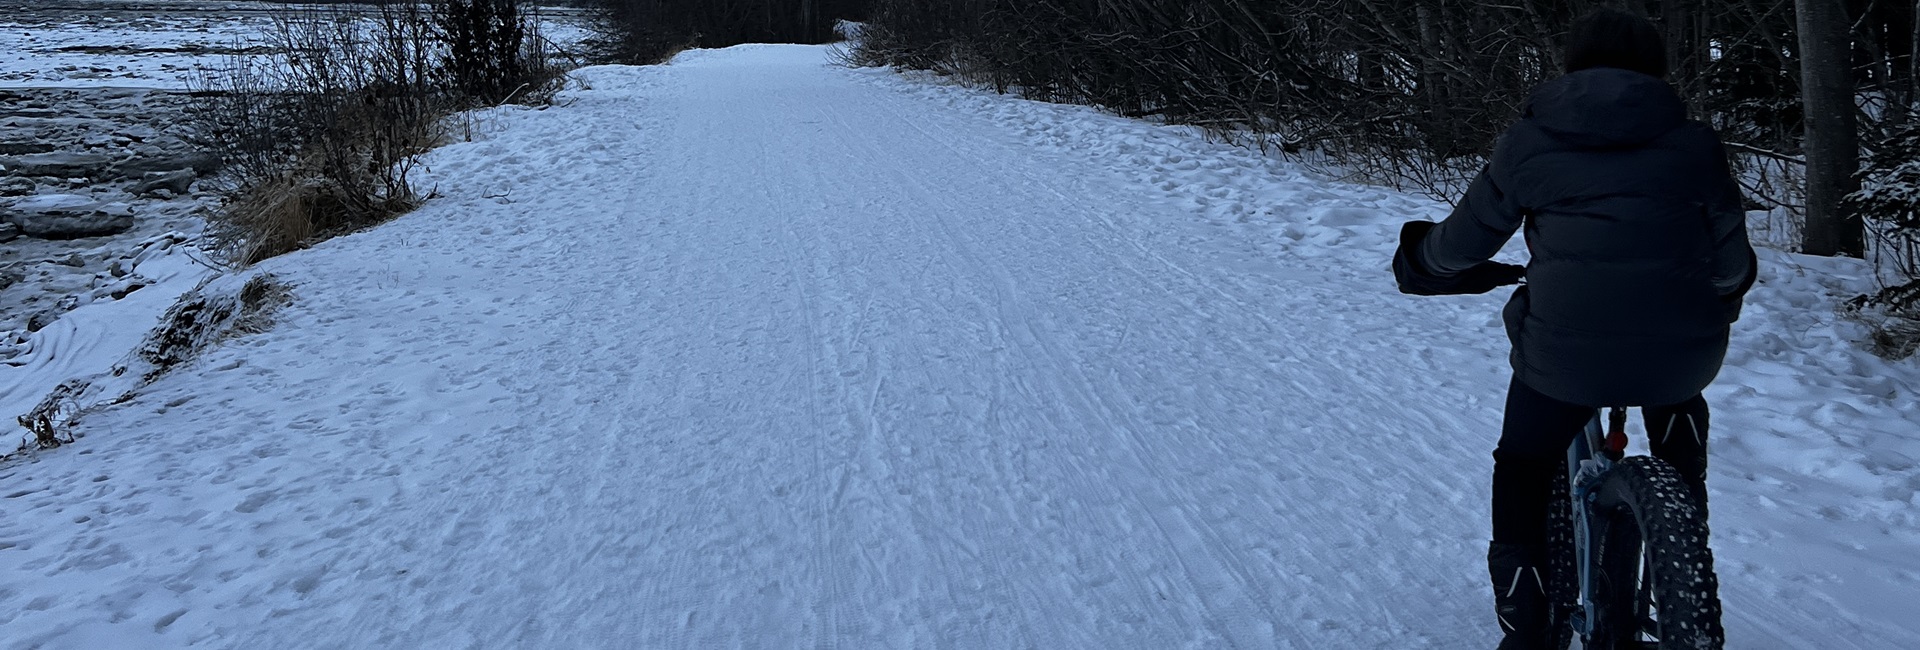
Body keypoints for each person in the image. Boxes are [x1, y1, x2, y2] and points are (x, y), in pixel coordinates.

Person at [1390, 8, 1758, 649]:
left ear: (1570, 66)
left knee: (1523, 464)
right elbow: (1730, 266)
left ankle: (1527, 622)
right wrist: (1715, 306)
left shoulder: (1530, 142)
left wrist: (1418, 260)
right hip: (1681, 353)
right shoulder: (1697, 145)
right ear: (1659, 71)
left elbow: (1461, 246)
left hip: (1565, 354)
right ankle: (1681, 552)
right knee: (1678, 412)